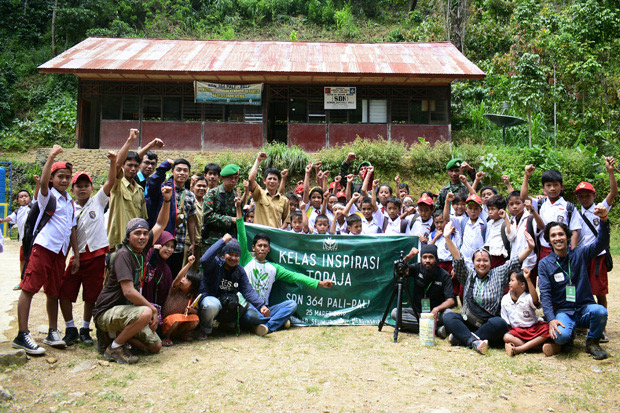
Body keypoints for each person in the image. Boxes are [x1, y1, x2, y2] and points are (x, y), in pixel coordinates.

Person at [92, 186, 172, 364]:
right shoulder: (123, 255)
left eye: (145, 233)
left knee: (155, 346)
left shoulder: (141, 251)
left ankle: (115, 338)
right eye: (137, 234)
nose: (143, 237)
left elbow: (160, 224)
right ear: (128, 237)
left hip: (126, 312)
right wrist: (151, 309)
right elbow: (128, 292)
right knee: (144, 313)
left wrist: (167, 201)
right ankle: (114, 348)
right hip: (106, 312)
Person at [12, 145, 76, 355]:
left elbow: (72, 229)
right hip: (43, 248)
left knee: (53, 292)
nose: (64, 180)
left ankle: (52, 331)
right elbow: (44, 177)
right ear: (51, 179)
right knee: (29, 288)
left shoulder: (70, 202)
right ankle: (22, 334)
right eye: (60, 176)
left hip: (60, 253)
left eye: (67, 177)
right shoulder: (46, 196)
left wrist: (75, 253)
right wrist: (51, 157)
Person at [235, 200, 333, 335]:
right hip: (248, 307)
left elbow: (295, 276)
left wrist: (319, 283)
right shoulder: (246, 259)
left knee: (291, 305)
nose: (262, 249)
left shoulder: (273, 268)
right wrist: (238, 209)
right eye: (259, 246)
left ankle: (266, 326)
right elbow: (241, 233)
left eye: (265, 246)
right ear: (253, 247)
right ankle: (273, 323)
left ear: (269, 249)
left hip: (265, 309)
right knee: (252, 316)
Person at [441, 221, 535, 354]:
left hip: (488, 324)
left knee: (500, 323)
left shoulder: (498, 273)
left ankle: (461, 337)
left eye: (485, 260)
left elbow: (514, 261)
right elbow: (458, 259)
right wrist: (447, 238)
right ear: (473, 263)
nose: (482, 263)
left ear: (491, 263)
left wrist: (529, 249)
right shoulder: (467, 274)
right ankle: (473, 341)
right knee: (448, 316)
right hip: (469, 320)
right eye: (478, 261)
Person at [59, 151, 117, 346]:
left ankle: (85, 328)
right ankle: (70, 327)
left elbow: (111, 181)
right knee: (65, 292)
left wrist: (113, 162)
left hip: (97, 255)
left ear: (92, 188)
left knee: (92, 295)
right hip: (77, 257)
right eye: (78, 186)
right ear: (72, 189)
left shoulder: (98, 201)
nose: (83, 189)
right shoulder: (69, 207)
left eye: (86, 186)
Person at [538, 205, 611, 360]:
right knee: (560, 336)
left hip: (584, 307)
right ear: (549, 240)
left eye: (561, 234)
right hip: (564, 311)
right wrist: (551, 319)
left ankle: (592, 342)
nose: (558, 238)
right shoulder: (545, 264)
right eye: (553, 236)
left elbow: (601, 243)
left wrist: (604, 221)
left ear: (567, 236)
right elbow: (545, 294)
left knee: (600, 312)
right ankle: (568, 337)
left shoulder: (580, 254)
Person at [569, 156, 617, 342]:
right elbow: (575, 234)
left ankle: (601, 328)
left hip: (598, 256)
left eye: (587, 194)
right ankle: (583, 323)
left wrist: (610, 172)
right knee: (581, 289)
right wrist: (573, 255)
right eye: (580, 195)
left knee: (600, 291)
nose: (583, 197)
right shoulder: (575, 212)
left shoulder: (600, 207)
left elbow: (613, 192)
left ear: (594, 195)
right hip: (582, 257)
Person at [197, 234, 268, 338]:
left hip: (227, 304)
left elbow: (248, 290)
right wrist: (222, 241)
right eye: (230, 254)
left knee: (247, 309)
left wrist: (261, 305)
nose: (233, 258)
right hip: (211, 300)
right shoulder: (215, 264)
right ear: (223, 255)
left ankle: (226, 325)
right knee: (212, 304)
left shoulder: (239, 271)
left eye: (237, 255)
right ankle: (205, 330)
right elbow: (204, 260)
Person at [107, 129, 163, 249]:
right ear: (123, 166)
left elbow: (143, 218)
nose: (133, 168)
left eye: (136, 166)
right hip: (118, 242)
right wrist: (130, 139)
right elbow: (117, 164)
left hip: (136, 244)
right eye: (129, 165)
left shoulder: (140, 190)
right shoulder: (117, 184)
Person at [146, 158, 197, 277]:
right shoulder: (163, 188)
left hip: (178, 244)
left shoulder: (190, 195)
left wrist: (192, 242)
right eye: (178, 170)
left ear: (189, 174)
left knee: (173, 276)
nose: (182, 173)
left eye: (185, 171)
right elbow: (152, 183)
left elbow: (191, 220)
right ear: (173, 172)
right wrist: (163, 167)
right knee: (155, 274)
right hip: (161, 243)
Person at [390, 244, 455, 333]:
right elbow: (401, 270)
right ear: (421, 259)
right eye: (424, 257)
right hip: (417, 313)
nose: (427, 260)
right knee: (395, 313)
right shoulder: (417, 267)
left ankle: (416, 327)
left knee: (449, 314)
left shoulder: (444, 275)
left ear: (436, 259)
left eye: (431, 257)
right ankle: (435, 329)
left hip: (436, 314)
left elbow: (451, 300)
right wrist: (409, 257)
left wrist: (437, 309)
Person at [521, 166, 578, 260]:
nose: (552, 188)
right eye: (548, 185)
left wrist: (574, 253)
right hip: (545, 249)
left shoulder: (569, 207)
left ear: (561, 187)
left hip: (564, 250)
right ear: (543, 188)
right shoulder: (540, 203)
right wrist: (526, 176)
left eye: (556, 185)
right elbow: (523, 197)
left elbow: (574, 231)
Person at [501, 268, 558, 356]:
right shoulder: (505, 299)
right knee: (507, 337)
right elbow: (506, 321)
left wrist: (528, 279)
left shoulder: (527, 297)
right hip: (518, 331)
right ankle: (538, 348)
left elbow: (535, 299)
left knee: (548, 328)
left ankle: (520, 348)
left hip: (533, 329)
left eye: (512, 280)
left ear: (522, 285)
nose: (509, 283)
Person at [1, 176, 40, 289]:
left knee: (35, 261)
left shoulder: (33, 206)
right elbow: (9, 218)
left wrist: (37, 183)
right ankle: (23, 281)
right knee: (23, 260)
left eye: (26, 196)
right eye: (21, 197)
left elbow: (37, 194)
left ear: (30, 198)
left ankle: (36, 282)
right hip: (23, 241)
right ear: (17, 201)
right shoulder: (17, 211)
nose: (24, 198)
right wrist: (2, 221)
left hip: (34, 239)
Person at [160, 256, 201, 346]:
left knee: (195, 319)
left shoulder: (192, 296)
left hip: (180, 322)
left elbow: (196, 311)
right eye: (183, 277)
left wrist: (191, 310)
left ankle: (182, 334)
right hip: (168, 323)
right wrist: (189, 264)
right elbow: (178, 278)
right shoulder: (175, 289)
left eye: (186, 279)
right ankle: (166, 337)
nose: (182, 279)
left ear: (193, 285)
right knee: (175, 319)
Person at [202, 163, 240, 253]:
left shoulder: (235, 195)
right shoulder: (213, 193)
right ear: (223, 178)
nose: (233, 180)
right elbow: (207, 217)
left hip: (230, 242)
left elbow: (239, 218)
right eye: (231, 178)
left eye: (236, 178)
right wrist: (231, 220)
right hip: (213, 241)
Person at [444, 192, 486, 269]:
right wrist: (447, 202)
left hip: (479, 263)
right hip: (465, 262)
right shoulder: (462, 221)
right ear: (466, 209)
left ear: (480, 210)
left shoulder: (484, 224)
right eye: (470, 208)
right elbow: (446, 218)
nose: (473, 211)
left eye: (476, 208)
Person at [248, 152, 289, 228]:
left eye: (275, 179)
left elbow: (286, 220)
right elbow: (251, 179)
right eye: (269, 179)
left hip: (275, 237)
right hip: (260, 236)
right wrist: (258, 160)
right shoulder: (259, 194)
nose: (272, 181)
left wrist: (280, 230)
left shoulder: (284, 200)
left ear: (278, 182)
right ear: (264, 181)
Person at [483, 194, 511, 269]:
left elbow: (511, 236)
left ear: (501, 210)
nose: (490, 212)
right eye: (489, 209)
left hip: (500, 256)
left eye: (493, 209)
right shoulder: (490, 223)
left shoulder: (505, 222)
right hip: (491, 255)